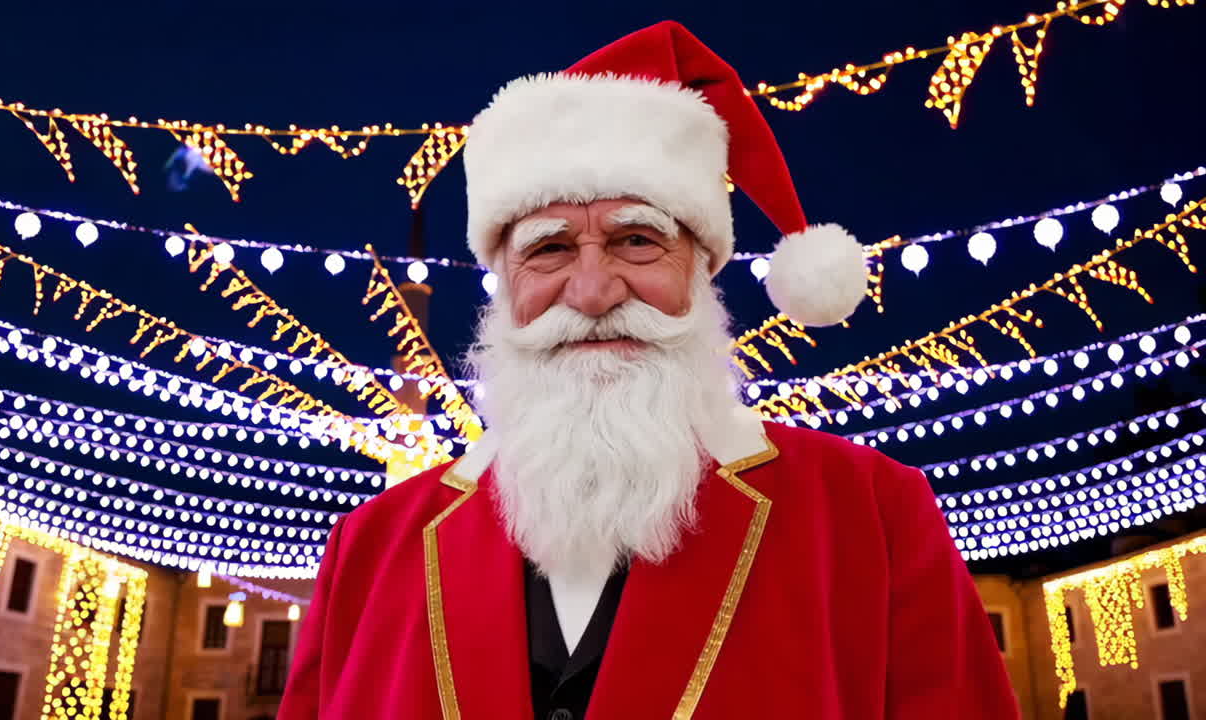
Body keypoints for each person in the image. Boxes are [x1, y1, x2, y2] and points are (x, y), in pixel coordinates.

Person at [278, 20, 1019, 720]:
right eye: (549, 249)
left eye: (637, 240)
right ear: (503, 279)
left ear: (702, 268)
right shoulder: (368, 553)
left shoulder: (872, 515)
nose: (594, 291)